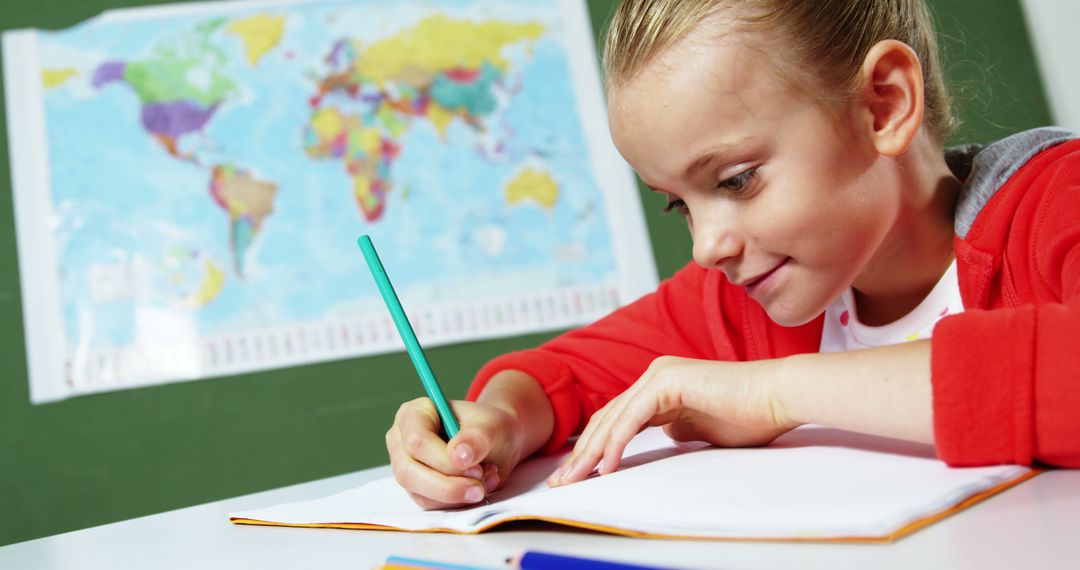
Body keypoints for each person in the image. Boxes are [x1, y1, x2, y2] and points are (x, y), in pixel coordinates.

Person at [385, 0, 1080, 509]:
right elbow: (567, 373)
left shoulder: (1055, 204)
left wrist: (771, 391)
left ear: (882, 105)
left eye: (736, 180)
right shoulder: (746, 298)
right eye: (680, 204)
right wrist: (498, 421)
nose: (708, 244)